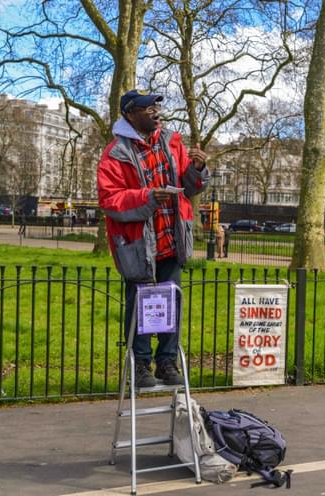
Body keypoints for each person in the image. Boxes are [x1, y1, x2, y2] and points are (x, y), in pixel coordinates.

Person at [97, 89, 209, 387]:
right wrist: (148, 196)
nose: (156, 112)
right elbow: (110, 199)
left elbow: (189, 186)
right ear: (131, 113)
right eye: (148, 108)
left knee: (170, 301)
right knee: (140, 304)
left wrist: (197, 169)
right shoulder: (115, 153)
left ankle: (167, 362)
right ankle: (140, 366)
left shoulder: (172, 142)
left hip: (171, 236)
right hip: (138, 244)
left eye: (157, 107)